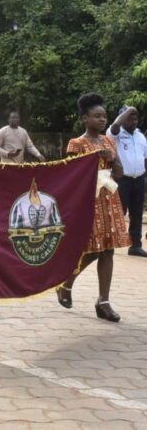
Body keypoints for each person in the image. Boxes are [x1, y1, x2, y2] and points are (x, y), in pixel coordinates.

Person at [57, 93, 130, 322]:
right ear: (85, 119)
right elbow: (70, 176)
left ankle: (104, 301)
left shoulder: (109, 141)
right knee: (94, 249)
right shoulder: (76, 144)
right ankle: (67, 282)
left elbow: (120, 173)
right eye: (96, 116)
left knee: (108, 250)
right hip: (89, 200)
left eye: (104, 116)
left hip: (110, 198)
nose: (102, 120)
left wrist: (112, 158)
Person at [107, 106, 147, 257]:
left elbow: (145, 158)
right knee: (118, 212)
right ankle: (108, 242)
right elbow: (114, 127)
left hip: (139, 180)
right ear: (122, 118)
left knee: (137, 214)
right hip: (122, 179)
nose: (133, 120)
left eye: (135, 118)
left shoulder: (140, 136)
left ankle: (135, 246)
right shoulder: (115, 134)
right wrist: (127, 111)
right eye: (129, 117)